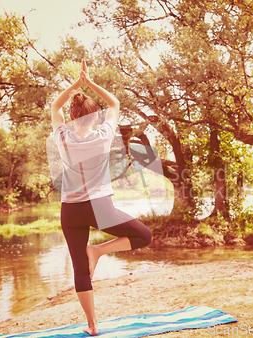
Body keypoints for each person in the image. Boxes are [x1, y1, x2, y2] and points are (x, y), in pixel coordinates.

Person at [50, 58, 152, 336]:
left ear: (72, 116)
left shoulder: (62, 137)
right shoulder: (104, 134)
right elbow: (115, 104)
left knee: (80, 268)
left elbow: (54, 107)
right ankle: (99, 251)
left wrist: (75, 84)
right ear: (94, 116)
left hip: (70, 211)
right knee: (144, 236)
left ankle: (93, 326)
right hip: (100, 208)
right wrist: (89, 81)